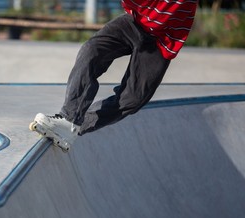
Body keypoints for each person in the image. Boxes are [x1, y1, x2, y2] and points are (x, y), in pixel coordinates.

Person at [31, 0, 198, 151]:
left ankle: (76, 127)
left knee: (132, 99)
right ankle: (69, 118)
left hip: (163, 39)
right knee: (92, 50)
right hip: (135, 21)